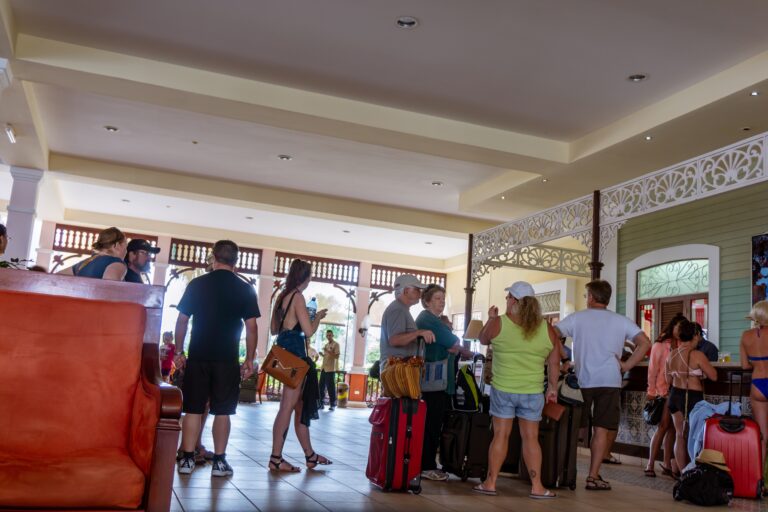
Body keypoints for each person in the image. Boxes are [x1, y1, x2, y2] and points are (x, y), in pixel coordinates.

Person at [554, 280, 651, 491]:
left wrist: (564, 359)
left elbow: (551, 334)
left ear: (590, 297)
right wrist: (626, 365)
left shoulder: (577, 318)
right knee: (601, 429)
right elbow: (645, 342)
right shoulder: (620, 321)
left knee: (571, 428)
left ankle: (564, 473)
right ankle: (593, 476)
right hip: (609, 380)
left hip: (581, 381)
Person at [175, 240, 260, 477]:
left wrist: (180, 353)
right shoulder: (245, 289)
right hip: (227, 359)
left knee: (193, 409)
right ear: (237, 260)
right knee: (223, 412)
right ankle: (220, 463)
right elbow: (251, 327)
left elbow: (182, 320)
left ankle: (187, 460)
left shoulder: (197, 284)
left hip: (199, 356)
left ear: (213, 257)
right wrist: (249, 360)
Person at [473, 281, 560, 499]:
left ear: (513, 300)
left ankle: (490, 483)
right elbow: (554, 361)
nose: (506, 302)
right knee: (531, 438)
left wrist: (492, 318)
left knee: (501, 434)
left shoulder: (499, 323)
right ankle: (537, 487)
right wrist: (551, 388)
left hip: (503, 389)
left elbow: (482, 338)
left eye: (507, 298)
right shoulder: (546, 328)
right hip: (532, 392)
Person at [268, 259, 331, 473]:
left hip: (282, 352)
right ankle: (276, 458)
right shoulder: (298, 297)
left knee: (298, 407)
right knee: (287, 407)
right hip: (296, 356)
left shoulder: (282, 296)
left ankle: (309, 455)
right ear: (306, 277)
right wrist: (318, 318)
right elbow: (309, 330)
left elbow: (274, 329)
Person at [415, 284, 473, 481]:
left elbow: (453, 343)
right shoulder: (427, 319)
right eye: (437, 298)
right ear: (428, 301)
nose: (441, 302)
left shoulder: (435, 320)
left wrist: (453, 345)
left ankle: (429, 463)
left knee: (435, 424)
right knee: (430, 424)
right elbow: (453, 340)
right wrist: (454, 345)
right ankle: (426, 465)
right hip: (432, 382)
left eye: (443, 299)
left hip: (440, 381)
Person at [666, 319, 717, 470]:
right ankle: (693, 472)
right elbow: (714, 376)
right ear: (695, 336)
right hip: (692, 397)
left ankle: (683, 474)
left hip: (674, 395)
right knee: (695, 436)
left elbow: (667, 379)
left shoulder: (671, 355)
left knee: (679, 435)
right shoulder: (697, 355)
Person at [644, 314, 686, 478]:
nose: (680, 331)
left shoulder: (683, 344)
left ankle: (667, 464)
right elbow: (652, 370)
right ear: (673, 326)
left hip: (677, 390)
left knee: (672, 430)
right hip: (663, 391)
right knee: (663, 426)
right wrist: (651, 391)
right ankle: (650, 464)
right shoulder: (660, 345)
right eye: (678, 327)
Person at [379, 274, 436, 394]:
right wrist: (419, 333)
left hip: (399, 369)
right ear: (405, 291)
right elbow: (394, 340)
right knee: (402, 410)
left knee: (402, 410)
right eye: (416, 290)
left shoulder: (401, 309)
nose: (420, 294)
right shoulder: (398, 309)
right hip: (397, 370)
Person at [740, 300, 768, 476]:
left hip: (757, 385)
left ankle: (758, 479)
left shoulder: (745, 336)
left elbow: (744, 366)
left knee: (763, 435)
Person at [57, 227, 128, 281]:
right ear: (116, 245)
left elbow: (57, 278)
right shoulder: (116, 263)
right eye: (125, 247)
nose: (126, 252)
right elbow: (111, 292)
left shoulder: (83, 263)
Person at [319, 330, 340, 411]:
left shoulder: (336, 344)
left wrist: (327, 351)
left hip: (331, 369)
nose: (328, 337)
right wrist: (322, 355)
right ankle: (321, 404)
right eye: (327, 335)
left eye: (330, 335)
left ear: (333, 335)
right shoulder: (326, 345)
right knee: (321, 387)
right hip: (323, 368)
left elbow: (336, 356)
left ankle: (332, 405)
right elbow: (327, 356)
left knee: (331, 388)